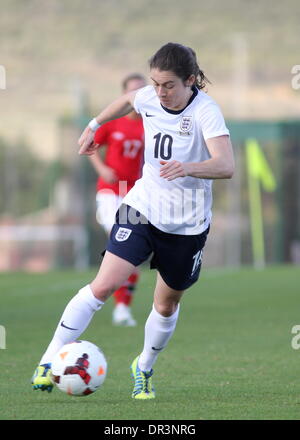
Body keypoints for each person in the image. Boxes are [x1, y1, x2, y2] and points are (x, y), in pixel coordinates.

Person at [32, 42, 234, 399]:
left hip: (186, 226)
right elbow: (127, 101)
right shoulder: (150, 97)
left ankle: (143, 367)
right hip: (141, 207)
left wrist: (189, 167)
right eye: (155, 84)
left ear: (190, 81)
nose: (160, 92)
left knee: (166, 304)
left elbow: (226, 165)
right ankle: (48, 361)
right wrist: (94, 125)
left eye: (168, 85)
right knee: (103, 285)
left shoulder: (206, 112)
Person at [89, 73, 146, 326]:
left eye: (142, 90)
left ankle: (122, 308)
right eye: (132, 91)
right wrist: (101, 168)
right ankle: (101, 298)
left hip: (135, 193)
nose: (137, 96)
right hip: (111, 191)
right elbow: (90, 145)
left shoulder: (151, 123)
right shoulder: (113, 122)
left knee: (131, 251)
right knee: (121, 240)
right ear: (124, 95)